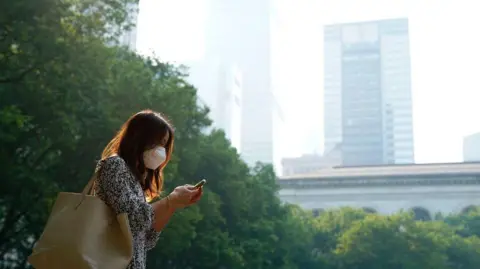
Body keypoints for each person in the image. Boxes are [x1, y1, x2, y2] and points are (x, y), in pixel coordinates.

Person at [94, 110, 203, 269]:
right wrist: (170, 200)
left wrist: (173, 205)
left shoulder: (136, 180)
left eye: (164, 145)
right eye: (158, 143)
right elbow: (133, 219)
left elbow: (147, 239)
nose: (161, 151)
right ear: (139, 138)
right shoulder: (115, 166)